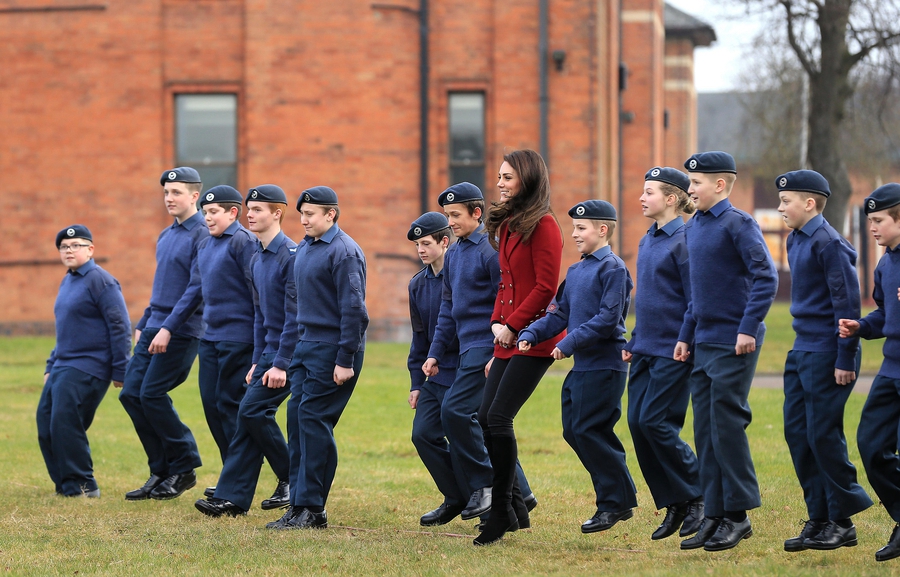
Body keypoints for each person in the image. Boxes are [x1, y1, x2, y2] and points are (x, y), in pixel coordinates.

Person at [675, 151, 778, 551]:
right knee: (705, 430)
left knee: (726, 426)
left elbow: (765, 276)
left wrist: (748, 327)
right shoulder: (695, 226)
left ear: (719, 185)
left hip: (735, 341)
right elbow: (696, 293)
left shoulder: (739, 223)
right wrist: (686, 335)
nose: (690, 189)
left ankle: (737, 516)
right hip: (703, 341)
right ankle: (715, 514)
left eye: (696, 183)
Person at [518, 200, 637, 537]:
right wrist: (530, 333)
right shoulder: (576, 271)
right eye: (574, 228)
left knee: (590, 430)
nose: (575, 234)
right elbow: (558, 313)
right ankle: (620, 496)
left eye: (581, 228)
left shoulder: (613, 269)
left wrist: (569, 343)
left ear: (603, 230)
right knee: (574, 430)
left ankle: (614, 502)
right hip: (583, 367)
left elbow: (607, 319)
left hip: (605, 365)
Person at [776, 170, 872, 552]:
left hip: (828, 352)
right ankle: (818, 519)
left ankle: (842, 521)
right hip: (801, 349)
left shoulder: (830, 244)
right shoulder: (795, 239)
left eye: (786, 201)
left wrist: (845, 357)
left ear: (810, 203)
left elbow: (847, 305)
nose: (780, 207)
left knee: (822, 436)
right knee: (798, 435)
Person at [473, 149, 563, 546]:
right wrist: (498, 324)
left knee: (498, 418)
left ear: (527, 179)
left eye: (507, 177)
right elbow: (505, 282)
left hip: (534, 338)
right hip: (508, 337)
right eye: (500, 176)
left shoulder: (545, 225)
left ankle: (500, 513)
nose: (499, 183)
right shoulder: (510, 223)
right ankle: (513, 508)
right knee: (483, 416)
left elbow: (545, 287)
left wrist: (513, 327)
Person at [266, 186, 368, 530]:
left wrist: (345, 359)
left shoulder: (344, 252)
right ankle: (298, 505)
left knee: (313, 421)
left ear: (331, 214)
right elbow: (295, 306)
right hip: (305, 347)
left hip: (332, 350)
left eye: (310, 214)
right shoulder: (306, 248)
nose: (304, 220)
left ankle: (313, 509)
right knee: (298, 421)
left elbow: (354, 311)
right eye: (302, 214)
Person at [195, 184, 298, 517]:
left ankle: (288, 478)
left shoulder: (290, 256)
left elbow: (294, 317)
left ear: (277, 214)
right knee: (247, 414)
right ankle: (234, 497)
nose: (249, 215)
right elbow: (259, 314)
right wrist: (257, 360)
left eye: (257, 210)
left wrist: (281, 362)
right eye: (249, 209)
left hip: (288, 352)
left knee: (250, 412)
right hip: (266, 351)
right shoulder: (258, 257)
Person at [622, 167, 703, 541]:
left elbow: (693, 300)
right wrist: (633, 340)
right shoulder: (647, 240)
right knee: (638, 424)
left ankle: (699, 494)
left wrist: (685, 341)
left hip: (674, 350)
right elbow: (649, 300)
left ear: (671, 199)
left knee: (656, 423)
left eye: (649, 192)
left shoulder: (685, 241)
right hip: (645, 348)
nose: (642, 197)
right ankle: (675, 501)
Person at [119, 167, 208, 501]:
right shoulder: (166, 235)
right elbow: (164, 286)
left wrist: (169, 327)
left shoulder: (203, 233)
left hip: (181, 329)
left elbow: (196, 288)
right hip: (154, 325)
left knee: (152, 394)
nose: (169, 198)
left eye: (176, 193)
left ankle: (184, 466)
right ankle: (160, 470)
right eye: (166, 193)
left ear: (194, 196)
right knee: (131, 394)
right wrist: (145, 321)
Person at [421, 182, 498, 527]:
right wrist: (435, 354)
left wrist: (500, 350)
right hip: (466, 347)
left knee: (455, 411)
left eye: (455, 215)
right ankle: (515, 499)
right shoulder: (453, 254)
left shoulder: (491, 250)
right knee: (474, 420)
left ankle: (486, 484)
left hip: (486, 346)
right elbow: (448, 309)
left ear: (476, 213)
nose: (450, 221)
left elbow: (506, 300)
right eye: (447, 215)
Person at [37, 225, 131, 498]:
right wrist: (50, 365)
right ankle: (65, 486)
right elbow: (66, 329)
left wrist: (120, 370)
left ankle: (83, 486)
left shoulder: (101, 280)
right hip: (63, 364)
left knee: (65, 424)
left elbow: (120, 326)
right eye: (64, 247)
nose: (69, 250)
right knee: (46, 425)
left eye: (75, 245)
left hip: (89, 365)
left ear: (90, 250)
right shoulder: (68, 280)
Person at [839, 182, 900, 562]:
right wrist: (862, 326)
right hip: (890, 371)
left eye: (879, 221)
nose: (872, 228)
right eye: (870, 221)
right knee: (871, 445)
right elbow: (885, 313)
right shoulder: (885, 264)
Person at [405, 212, 465, 526]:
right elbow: (419, 338)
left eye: (426, 243)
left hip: (465, 369)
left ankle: (506, 498)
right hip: (434, 374)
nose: (421, 250)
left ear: (444, 241)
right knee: (423, 435)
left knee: (471, 437)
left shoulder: (462, 275)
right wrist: (416, 383)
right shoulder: (417, 285)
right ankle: (456, 496)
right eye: (417, 245)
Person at [196, 185, 257, 492]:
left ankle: (236, 482)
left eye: (213, 212)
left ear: (233, 212)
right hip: (209, 338)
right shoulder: (205, 244)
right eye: (205, 213)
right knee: (212, 406)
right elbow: (196, 289)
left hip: (238, 338)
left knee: (229, 406)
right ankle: (229, 474)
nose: (207, 218)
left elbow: (257, 292)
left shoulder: (244, 242)